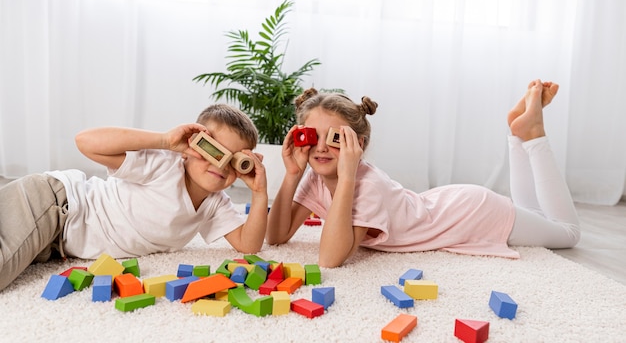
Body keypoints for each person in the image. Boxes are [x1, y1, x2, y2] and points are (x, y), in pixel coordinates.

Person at [266, 80, 580, 268]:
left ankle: (534, 136)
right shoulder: (316, 176)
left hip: (469, 213)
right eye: (312, 136)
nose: (320, 148)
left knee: (567, 234)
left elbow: (330, 259)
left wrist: (347, 176)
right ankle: (518, 134)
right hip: (444, 203)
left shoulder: (366, 184)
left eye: (335, 139)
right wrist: (292, 174)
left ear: (357, 145)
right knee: (535, 214)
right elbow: (277, 236)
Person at [0, 104, 268, 291]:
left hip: (54, 244)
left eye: (234, 161)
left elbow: (249, 245)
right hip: (57, 204)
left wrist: (259, 192)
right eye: (213, 151)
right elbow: (85, 141)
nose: (220, 166)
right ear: (190, 147)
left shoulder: (214, 204)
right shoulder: (164, 165)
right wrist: (164, 140)